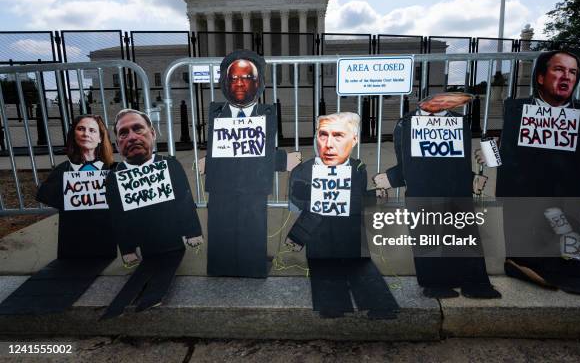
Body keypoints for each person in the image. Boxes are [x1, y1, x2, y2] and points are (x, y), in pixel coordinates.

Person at [481, 50, 580, 297]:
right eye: (559, 70)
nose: (567, 77)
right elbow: (501, 158)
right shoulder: (520, 112)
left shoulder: (578, 115)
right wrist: (493, 152)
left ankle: (562, 270)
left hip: (563, 197)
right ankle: (522, 263)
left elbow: (573, 159)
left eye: (572, 72)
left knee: (564, 234)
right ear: (540, 78)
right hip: (524, 200)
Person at [374, 92, 500, 299]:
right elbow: (404, 162)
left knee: (465, 234)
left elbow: (460, 160)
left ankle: (474, 281)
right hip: (422, 188)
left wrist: (470, 180)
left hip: (456, 189)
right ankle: (434, 283)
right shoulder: (405, 124)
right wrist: (391, 178)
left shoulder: (459, 121)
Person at [0, 115, 118, 315]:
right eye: (81, 129)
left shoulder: (112, 170)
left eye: (92, 130)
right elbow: (44, 194)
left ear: (100, 138)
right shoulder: (64, 170)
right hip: (72, 239)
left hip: (103, 238)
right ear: (74, 135)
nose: (85, 134)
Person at [286, 112, 399, 318]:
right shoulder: (303, 170)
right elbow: (297, 200)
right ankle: (332, 304)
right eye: (323, 135)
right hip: (317, 233)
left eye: (338, 136)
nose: (328, 144)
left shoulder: (358, 168)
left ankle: (378, 304)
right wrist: (299, 234)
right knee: (322, 266)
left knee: (359, 264)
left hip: (350, 230)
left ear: (354, 139)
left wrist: (373, 197)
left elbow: (354, 200)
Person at [201, 50, 301, 278]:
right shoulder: (217, 114)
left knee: (252, 226)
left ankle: (250, 266)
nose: (239, 83)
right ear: (224, 83)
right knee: (221, 226)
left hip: (254, 185)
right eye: (233, 77)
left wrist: (281, 160)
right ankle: (221, 267)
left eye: (246, 77)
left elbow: (259, 153)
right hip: (221, 186)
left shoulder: (264, 115)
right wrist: (210, 159)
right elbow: (229, 149)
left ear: (259, 83)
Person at [102, 109, 203, 318]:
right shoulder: (114, 178)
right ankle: (125, 304)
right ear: (118, 143)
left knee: (166, 265)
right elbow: (118, 218)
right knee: (145, 269)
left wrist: (193, 231)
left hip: (172, 241)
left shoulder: (170, 165)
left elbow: (184, 200)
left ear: (153, 133)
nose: (131, 137)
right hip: (143, 244)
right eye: (123, 133)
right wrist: (127, 249)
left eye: (138, 129)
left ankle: (153, 296)